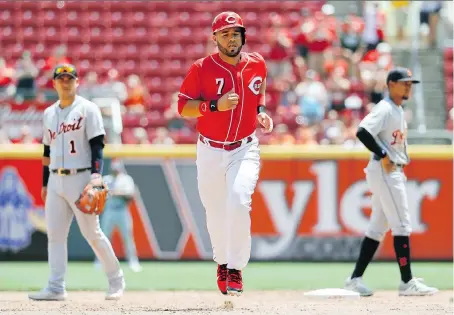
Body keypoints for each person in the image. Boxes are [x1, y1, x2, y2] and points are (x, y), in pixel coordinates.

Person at [177, 11, 273, 296]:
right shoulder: (202, 68)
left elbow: (259, 89)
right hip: (209, 149)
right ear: (215, 37)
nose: (231, 38)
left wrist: (261, 112)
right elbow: (183, 107)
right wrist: (214, 106)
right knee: (215, 211)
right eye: (225, 34)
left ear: (243, 35)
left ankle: (236, 267)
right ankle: (222, 262)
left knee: (239, 200)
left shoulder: (257, 63)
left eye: (236, 33)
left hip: (244, 147)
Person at [28, 64, 125, 301]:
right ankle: (55, 287)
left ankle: (116, 279)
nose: (65, 82)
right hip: (55, 179)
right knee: (55, 236)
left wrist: (95, 175)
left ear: (77, 82)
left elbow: (97, 145)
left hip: (81, 178)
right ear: (54, 83)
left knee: (92, 233)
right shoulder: (49, 113)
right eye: (61, 78)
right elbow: (46, 150)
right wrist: (44, 182)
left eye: (69, 78)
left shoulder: (87, 108)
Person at [344, 67, 438, 296]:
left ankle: (355, 279)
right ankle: (407, 282)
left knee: (377, 227)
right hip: (385, 171)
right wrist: (384, 154)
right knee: (402, 225)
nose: (408, 86)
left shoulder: (396, 109)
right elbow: (363, 131)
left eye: (410, 83)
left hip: (389, 171)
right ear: (391, 84)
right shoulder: (385, 108)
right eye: (404, 82)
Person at [96, 159, 141, 273]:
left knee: (127, 237)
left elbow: (131, 194)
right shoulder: (106, 179)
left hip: (122, 210)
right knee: (104, 237)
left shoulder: (126, 179)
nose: (115, 171)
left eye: (117, 168)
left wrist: (117, 192)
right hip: (109, 210)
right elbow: (98, 192)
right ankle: (99, 261)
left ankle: (133, 262)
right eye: (113, 168)